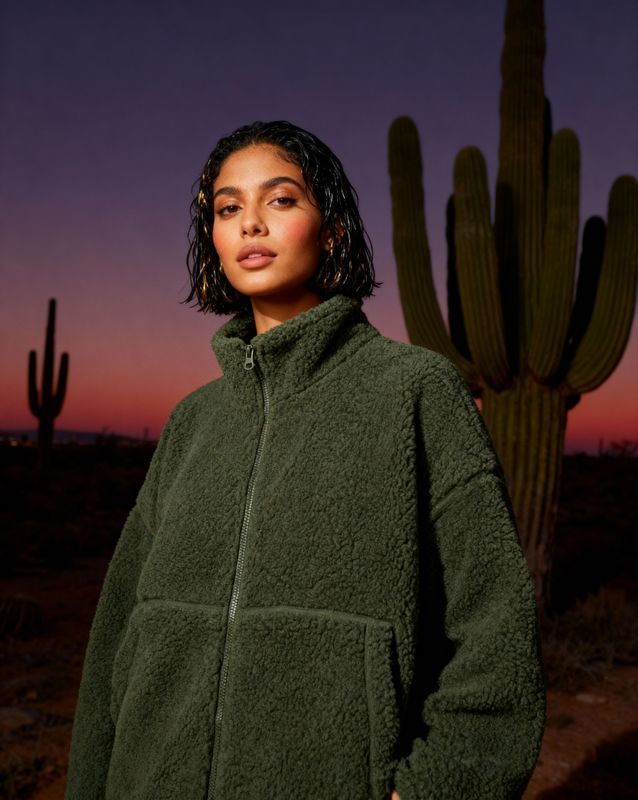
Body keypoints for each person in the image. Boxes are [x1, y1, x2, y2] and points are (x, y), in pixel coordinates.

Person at [65, 120, 545, 800]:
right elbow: (119, 630)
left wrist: (437, 787)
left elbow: (495, 630)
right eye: (229, 209)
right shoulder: (192, 421)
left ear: (333, 231)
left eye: (281, 200)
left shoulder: (415, 391)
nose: (250, 224)